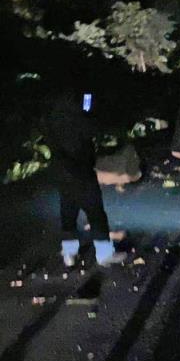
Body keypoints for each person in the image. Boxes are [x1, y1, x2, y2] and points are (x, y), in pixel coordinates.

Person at [45, 88, 125, 267]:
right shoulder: (79, 116)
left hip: (61, 170)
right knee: (96, 213)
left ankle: (69, 254)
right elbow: (92, 128)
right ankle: (104, 254)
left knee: (68, 213)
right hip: (81, 169)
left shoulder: (52, 117)